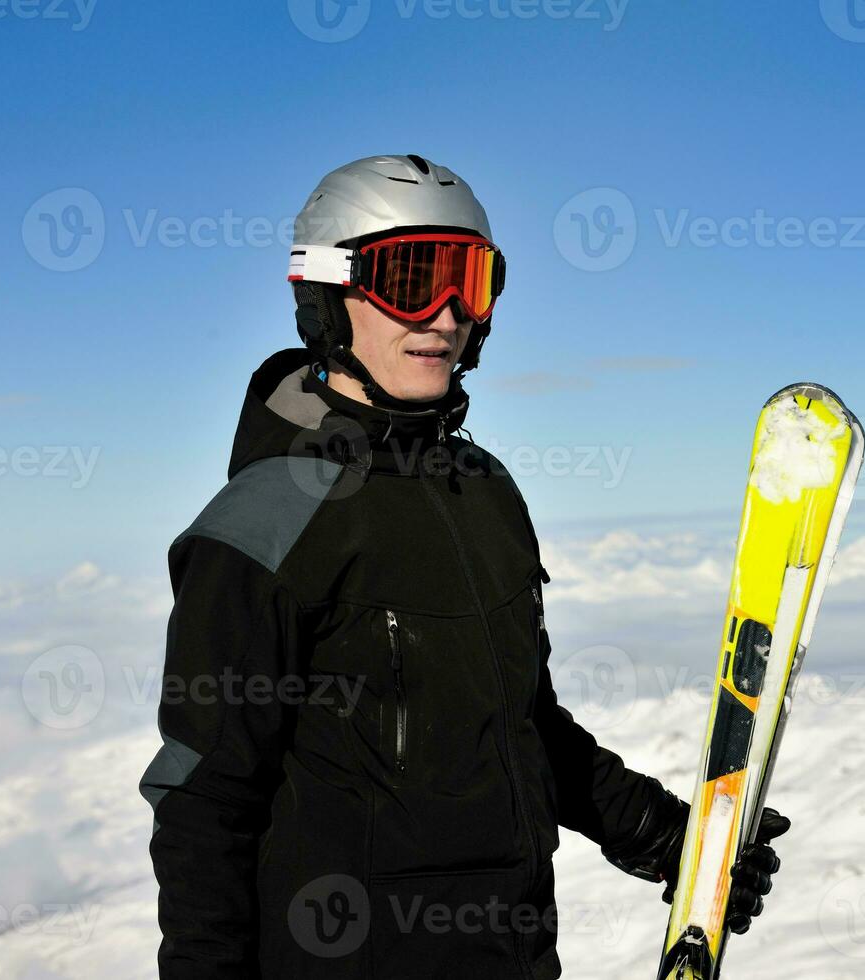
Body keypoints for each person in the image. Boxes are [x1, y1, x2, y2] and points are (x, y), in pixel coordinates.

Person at [138, 154, 789, 979]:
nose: (444, 315)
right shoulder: (260, 526)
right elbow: (205, 803)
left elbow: (524, 729)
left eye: (469, 281)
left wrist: (668, 838)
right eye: (412, 278)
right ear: (328, 295)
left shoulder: (483, 492)